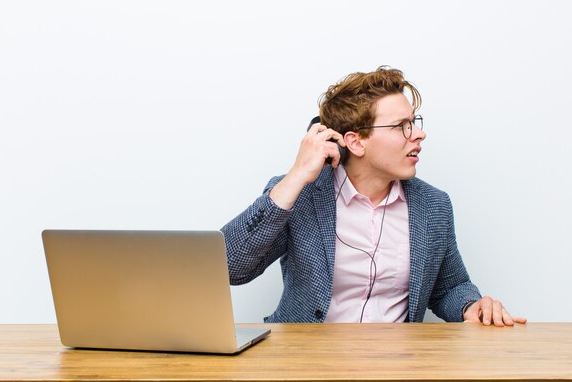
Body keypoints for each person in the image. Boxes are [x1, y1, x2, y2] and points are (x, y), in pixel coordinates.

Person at [221, 66, 526, 327]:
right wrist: (297, 176)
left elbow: (450, 287)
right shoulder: (300, 194)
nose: (418, 135)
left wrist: (470, 306)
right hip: (304, 364)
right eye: (400, 127)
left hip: (393, 369)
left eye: (414, 123)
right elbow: (230, 267)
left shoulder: (433, 206)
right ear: (355, 142)